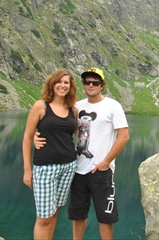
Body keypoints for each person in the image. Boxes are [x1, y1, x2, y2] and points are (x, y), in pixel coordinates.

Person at [34, 67, 130, 240]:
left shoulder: (113, 106)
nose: (91, 85)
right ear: (83, 84)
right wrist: (36, 135)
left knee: (105, 215)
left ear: (102, 86)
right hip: (77, 169)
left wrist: (106, 163)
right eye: (87, 82)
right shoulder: (76, 107)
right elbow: (59, 128)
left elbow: (123, 137)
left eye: (95, 82)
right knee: (78, 214)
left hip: (101, 170)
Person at [22, 68, 78, 240]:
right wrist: (27, 170)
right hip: (45, 168)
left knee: (54, 213)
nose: (62, 85)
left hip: (68, 166)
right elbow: (27, 137)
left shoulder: (73, 110)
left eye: (66, 82)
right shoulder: (41, 106)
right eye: (59, 82)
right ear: (52, 84)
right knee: (44, 218)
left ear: (70, 86)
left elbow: (73, 134)